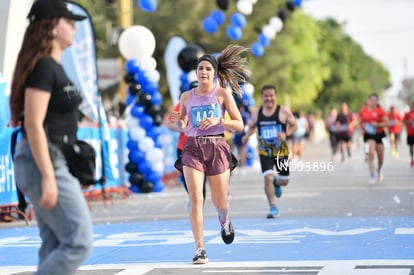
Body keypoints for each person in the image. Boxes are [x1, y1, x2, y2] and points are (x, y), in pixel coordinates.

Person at [9, 0, 93, 274]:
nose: (73, 29)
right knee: (78, 242)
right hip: (43, 160)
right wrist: (48, 176)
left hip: (48, 159)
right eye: (68, 23)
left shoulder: (52, 66)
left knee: (55, 242)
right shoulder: (44, 67)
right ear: (52, 27)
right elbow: (33, 123)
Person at [170, 44, 251, 264]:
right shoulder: (186, 96)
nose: (203, 72)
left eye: (207, 68)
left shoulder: (222, 94)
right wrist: (180, 121)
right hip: (193, 148)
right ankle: (200, 249)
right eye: (200, 68)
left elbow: (239, 124)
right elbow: (185, 125)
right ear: (195, 72)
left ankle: (224, 220)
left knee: (219, 201)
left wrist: (219, 120)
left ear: (214, 73)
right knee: (196, 198)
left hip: (217, 147)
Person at [241, 84, 297, 219]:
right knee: (267, 178)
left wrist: (286, 133)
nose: (269, 98)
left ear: (275, 96)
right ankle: (272, 207)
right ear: (262, 97)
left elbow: (294, 125)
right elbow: (253, 126)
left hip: (280, 151)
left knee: (285, 181)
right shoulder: (256, 113)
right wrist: (247, 135)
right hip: (264, 151)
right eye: (266, 96)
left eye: (271, 95)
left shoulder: (283, 111)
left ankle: (277, 181)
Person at [166, 100, 207, 204]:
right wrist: (184, 129)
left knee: (201, 178)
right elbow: (170, 123)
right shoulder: (183, 103)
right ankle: (193, 198)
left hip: (203, 146)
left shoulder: (209, 103)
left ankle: (198, 202)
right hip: (184, 147)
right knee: (186, 178)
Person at [358, 93, 388, 184]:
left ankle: (379, 169)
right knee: (371, 154)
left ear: (377, 101)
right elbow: (359, 122)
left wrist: (378, 124)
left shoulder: (380, 111)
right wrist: (362, 129)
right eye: (371, 100)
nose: (373, 102)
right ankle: (372, 175)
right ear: (368, 101)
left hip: (379, 134)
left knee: (380, 157)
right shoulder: (363, 111)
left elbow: (387, 123)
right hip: (369, 135)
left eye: (375, 100)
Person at [403, 100, 414, 167]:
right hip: (410, 133)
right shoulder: (408, 113)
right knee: (411, 147)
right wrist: (409, 121)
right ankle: (412, 159)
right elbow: (404, 121)